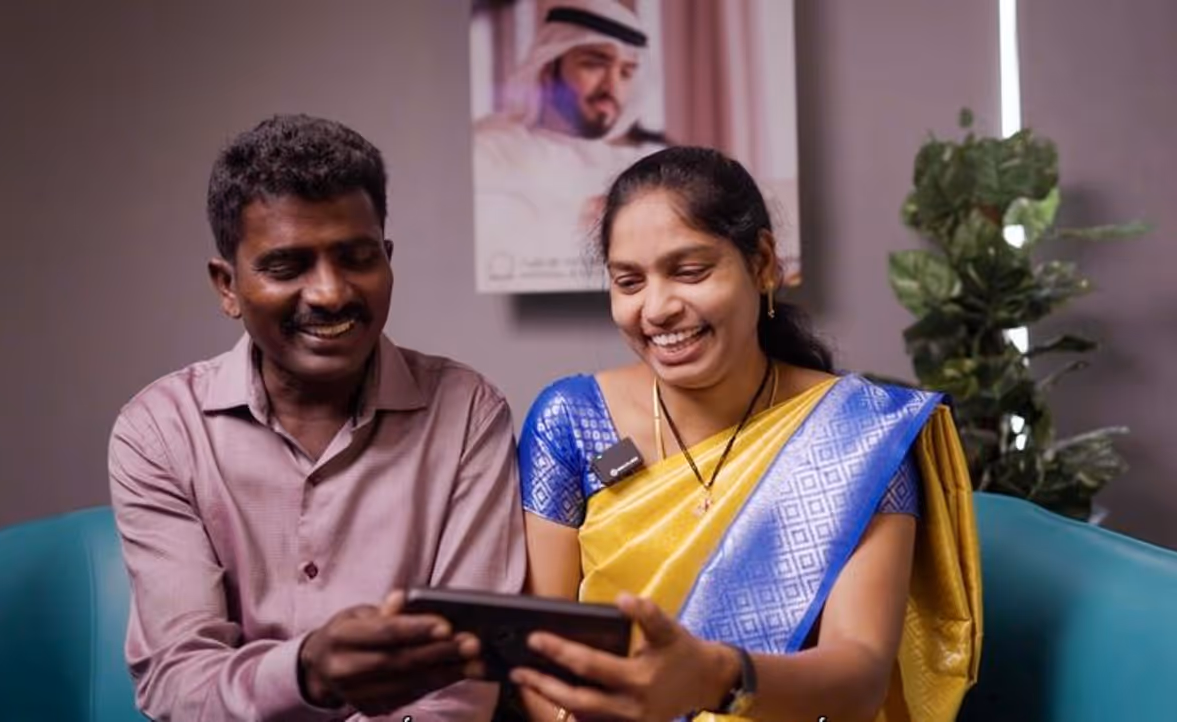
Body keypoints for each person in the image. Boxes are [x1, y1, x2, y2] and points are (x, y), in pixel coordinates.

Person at [512, 146, 981, 721]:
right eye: (629, 281)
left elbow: (859, 677)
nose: (655, 309)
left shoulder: (859, 435)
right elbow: (537, 654)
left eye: (689, 272)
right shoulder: (571, 420)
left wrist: (713, 678)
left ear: (762, 262)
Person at [108, 114, 526, 721]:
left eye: (357, 258)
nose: (331, 293)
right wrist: (307, 672)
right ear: (227, 286)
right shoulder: (161, 432)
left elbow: (461, 681)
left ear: (387, 259)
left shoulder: (467, 413)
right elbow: (179, 682)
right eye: (287, 267)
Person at [473, 0, 668, 292]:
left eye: (626, 72)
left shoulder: (638, 164)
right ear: (547, 68)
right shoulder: (489, 150)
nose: (612, 86)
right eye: (594, 63)